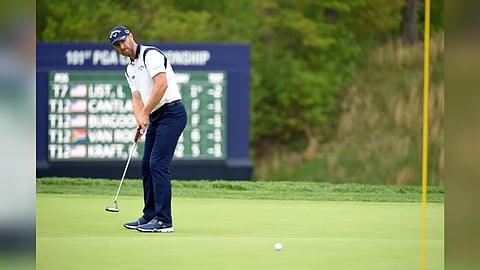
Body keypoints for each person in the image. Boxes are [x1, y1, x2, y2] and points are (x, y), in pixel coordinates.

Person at [108, 25, 187, 233]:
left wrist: (145, 113)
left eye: (124, 41)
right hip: (155, 115)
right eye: (117, 45)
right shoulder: (129, 69)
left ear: (131, 36)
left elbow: (161, 85)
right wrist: (140, 118)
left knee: (158, 165)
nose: (122, 46)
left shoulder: (150, 55)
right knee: (146, 166)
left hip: (172, 113)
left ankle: (164, 221)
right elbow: (136, 97)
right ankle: (150, 215)